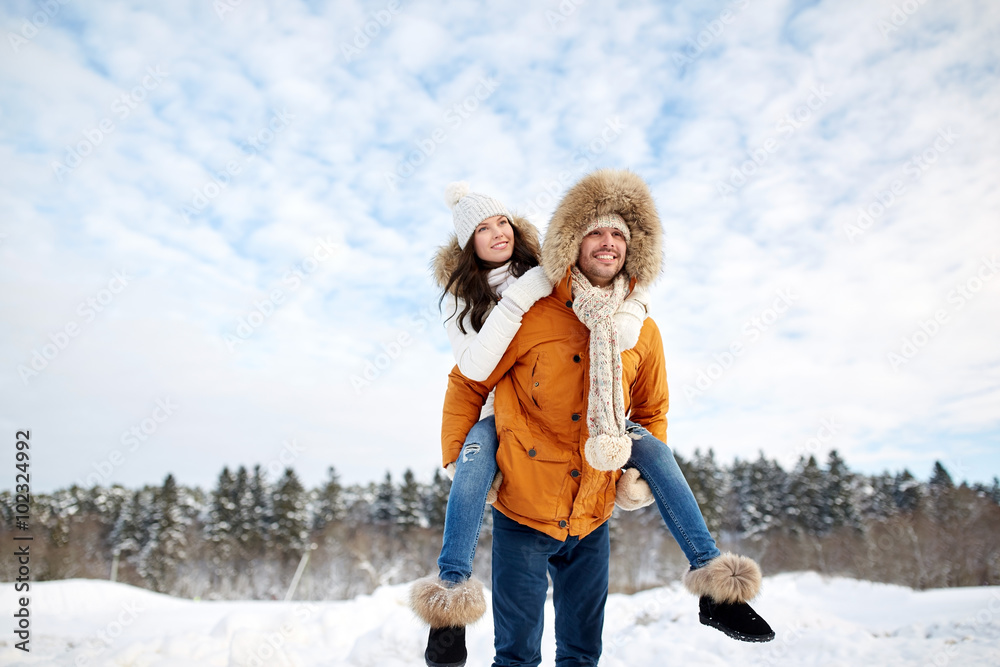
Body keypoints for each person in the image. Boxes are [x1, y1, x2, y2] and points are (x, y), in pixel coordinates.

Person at [438, 169, 774, 666]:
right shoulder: (529, 311)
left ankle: (716, 586)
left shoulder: (642, 328)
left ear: (634, 247)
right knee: (516, 656)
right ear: (573, 241)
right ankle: (447, 604)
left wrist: (635, 477)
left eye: (619, 233)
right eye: (595, 230)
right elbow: (468, 381)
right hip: (524, 509)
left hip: (591, 511)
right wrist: (459, 457)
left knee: (581, 654)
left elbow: (652, 409)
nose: (608, 242)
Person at [410, 182, 651, 667]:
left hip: (571, 458)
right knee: (470, 470)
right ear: (467, 245)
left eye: (502, 222)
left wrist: (632, 309)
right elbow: (471, 373)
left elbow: (611, 295)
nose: (498, 233)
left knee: (652, 450)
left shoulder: (551, 273)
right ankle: (449, 603)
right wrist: (523, 295)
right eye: (483, 228)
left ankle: (711, 573)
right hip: (497, 417)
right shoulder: (464, 301)